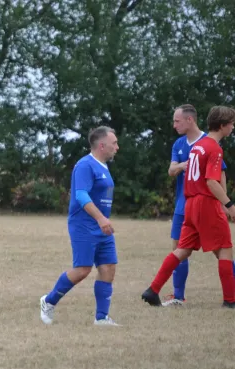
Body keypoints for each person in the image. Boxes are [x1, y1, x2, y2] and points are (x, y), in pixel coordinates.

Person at [142, 106, 235, 308]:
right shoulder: (214, 148)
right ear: (222, 126)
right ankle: (230, 301)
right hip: (205, 203)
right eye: (231, 124)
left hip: (189, 203)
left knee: (182, 250)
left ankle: (153, 290)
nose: (233, 127)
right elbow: (212, 181)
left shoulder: (197, 147)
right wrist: (229, 204)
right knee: (226, 250)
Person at [39, 126, 120, 326]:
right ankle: (48, 301)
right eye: (114, 143)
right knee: (82, 269)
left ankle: (101, 318)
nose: (117, 147)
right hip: (84, 225)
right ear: (102, 146)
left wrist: (103, 220)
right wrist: (101, 218)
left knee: (108, 267)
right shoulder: (85, 165)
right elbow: (81, 195)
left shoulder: (103, 166)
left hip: (102, 227)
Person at [163, 104, 228, 306]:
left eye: (177, 121)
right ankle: (178, 296)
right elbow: (171, 170)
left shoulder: (207, 142)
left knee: (222, 252)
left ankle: (231, 293)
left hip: (205, 206)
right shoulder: (179, 144)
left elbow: (220, 174)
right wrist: (183, 165)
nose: (174, 125)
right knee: (178, 250)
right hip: (183, 207)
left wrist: (225, 203)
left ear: (189, 120)